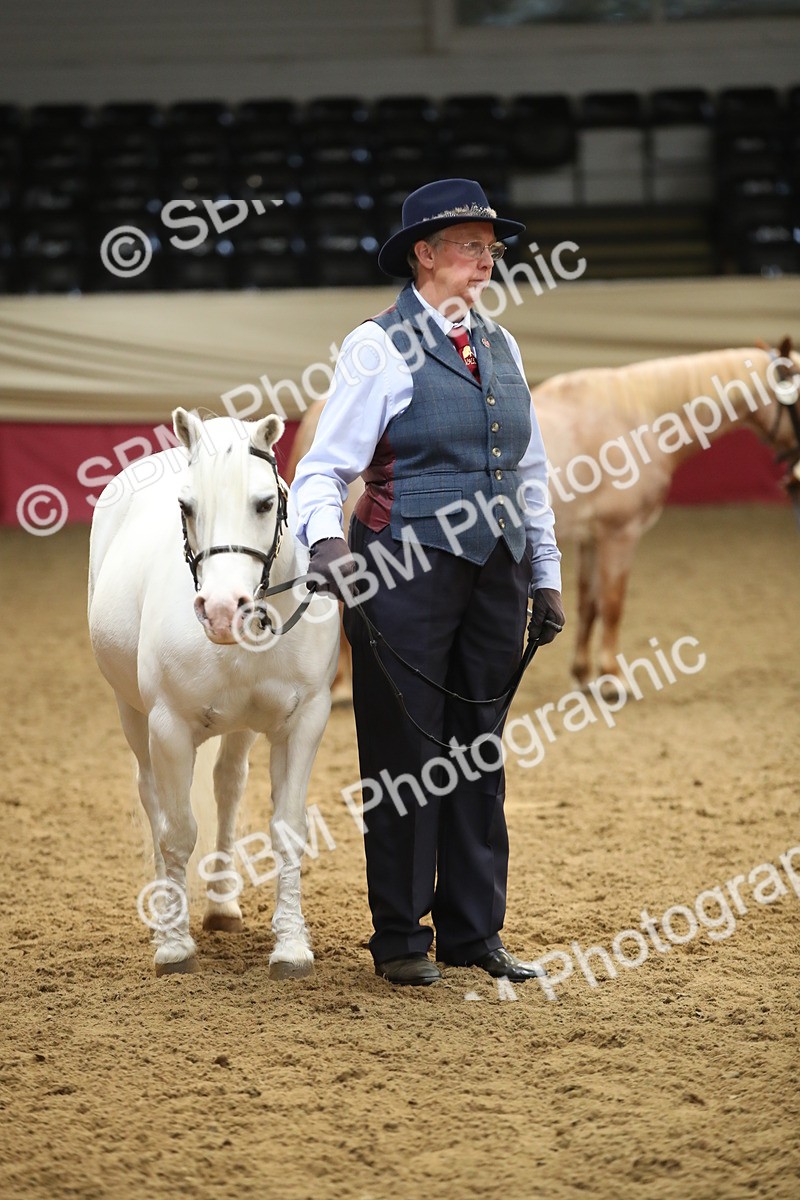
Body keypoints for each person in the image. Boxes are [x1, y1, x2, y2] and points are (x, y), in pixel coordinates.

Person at [291, 178, 564, 987]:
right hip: (403, 567)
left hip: (496, 571)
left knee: (479, 749)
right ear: (424, 254)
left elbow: (530, 473)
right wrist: (325, 543)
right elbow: (322, 468)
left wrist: (545, 575)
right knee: (406, 752)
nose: (486, 260)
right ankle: (402, 935)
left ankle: (474, 932)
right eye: (470, 246)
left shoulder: (503, 345)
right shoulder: (376, 345)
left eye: (491, 248)